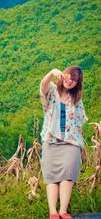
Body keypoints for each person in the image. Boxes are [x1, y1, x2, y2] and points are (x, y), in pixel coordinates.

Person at [39, 66, 88, 219]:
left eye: (74, 80)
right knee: (52, 177)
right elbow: (43, 86)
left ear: (77, 84)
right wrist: (51, 72)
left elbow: (81, 121)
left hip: (70, 142)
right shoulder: (52, 90)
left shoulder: (76, 98)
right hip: (51, 141)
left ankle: (63, 211)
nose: (70, 81)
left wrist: (80, 144)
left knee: (68, 175)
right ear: (63, 75)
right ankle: (53, 212)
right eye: (69, 77)